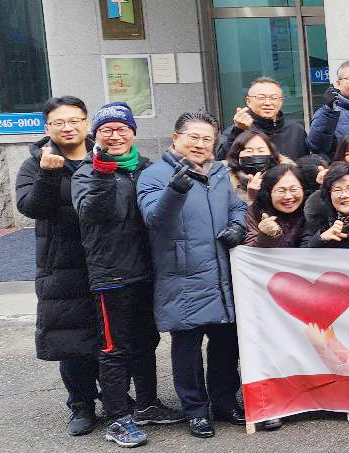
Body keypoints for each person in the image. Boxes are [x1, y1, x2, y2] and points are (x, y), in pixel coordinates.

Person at [15, 97, 166, 438]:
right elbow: (31, 207)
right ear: (47, 127)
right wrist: (48, 174)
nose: (68, 127)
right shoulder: (36, 163)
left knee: (121, 336)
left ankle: (121, 400)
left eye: (75, 120)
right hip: (65, 264)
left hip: (113, 261)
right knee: (74, 338)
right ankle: (82, 405)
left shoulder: (116, 157)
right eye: (59, 122)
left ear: (86, 124)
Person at [137, 112, 280, 437]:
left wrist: (236, 226)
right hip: (182, 275)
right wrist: (175, 189)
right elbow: (154, 219)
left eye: (207, 139)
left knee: (225, 345)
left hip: (221, 274)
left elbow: (236, 206)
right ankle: (196, 411)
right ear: (176, 139)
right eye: (194, 137)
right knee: (187, 348)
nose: (200, 144)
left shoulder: (217, 172)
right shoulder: (154, 175)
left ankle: (225, 403)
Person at [70, 102, 183, 447]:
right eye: (107, 130)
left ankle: (147, 404)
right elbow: (92, 213)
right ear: (96, 136)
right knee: (114, 348)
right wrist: (103, 174)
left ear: (133, 132)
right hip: (111, 275)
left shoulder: (146, 168)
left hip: (148, 272)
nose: (115, 135)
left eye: (122, 129)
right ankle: (118, 418)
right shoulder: (86, 173)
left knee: (146, 341)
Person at [215, 76, 308, 160]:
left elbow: (304, 164)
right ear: (248, 101)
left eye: (273, 98)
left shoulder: (296, 130)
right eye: (261, 98)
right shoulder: (238, 130)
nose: (267, 103)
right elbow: (221, 161)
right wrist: (237, 130)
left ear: (281, 101)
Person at [244, 165, 308, 248]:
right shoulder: (256, 210)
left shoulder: (312, 211)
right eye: (281, 191)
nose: (288, 196)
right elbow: (249, 251)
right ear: (268, 193)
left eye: (294, 190)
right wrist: (266, 235)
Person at [223, 129, 283, 205]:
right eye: (249, 151)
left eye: (261, 151)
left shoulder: (284, 178)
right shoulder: (224, 183)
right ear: (237, 155)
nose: (255, 154)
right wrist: (251, 198)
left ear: (271, 154)